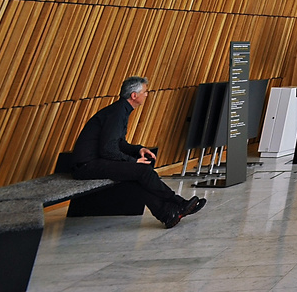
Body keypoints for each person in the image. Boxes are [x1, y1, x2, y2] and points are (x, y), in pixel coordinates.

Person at [71, 77, 206, 228]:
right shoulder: (117, 113)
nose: (147, 95)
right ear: (134, 96)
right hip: (86, 165)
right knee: (143, 171)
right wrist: (133, 161)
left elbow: (119, 143)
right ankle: (178, 202)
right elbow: (108, 149)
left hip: (93, 162)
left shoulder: (120, 110)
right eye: (145, 92)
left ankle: (167, 214)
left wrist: (139, 149)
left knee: (136, 176)